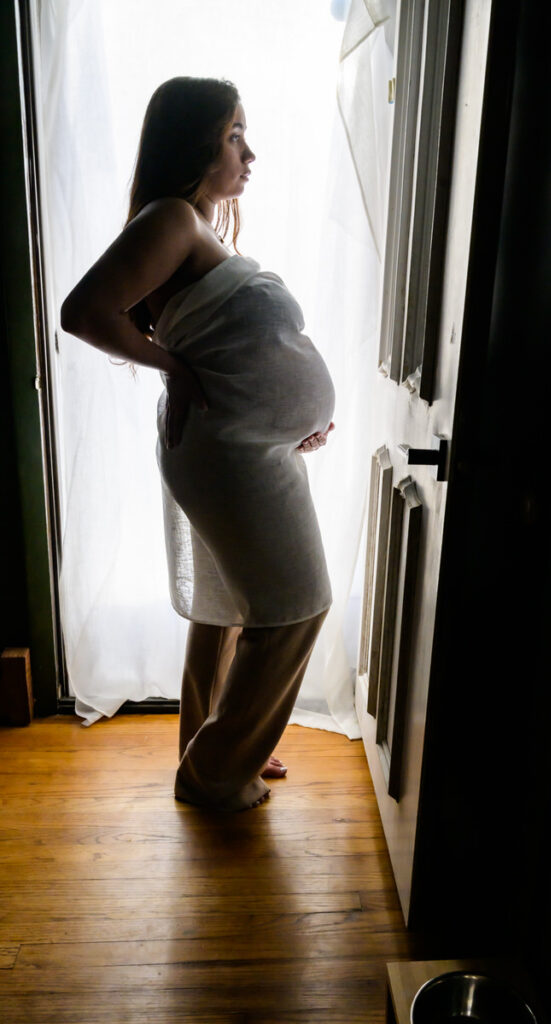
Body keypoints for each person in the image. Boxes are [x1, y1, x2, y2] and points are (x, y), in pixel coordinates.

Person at [60, 76, 335, 811]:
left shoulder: (199, 224)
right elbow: (83, 311)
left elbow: (238, 344)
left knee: (226, 607)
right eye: (233, 135)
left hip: (248, 448)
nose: (251, 153)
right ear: (195, 144)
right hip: (227, 455)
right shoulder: (173, 218)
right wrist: (170, 366)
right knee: (295, 605)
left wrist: (293, 411)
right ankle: (215, 772)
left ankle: (214, 743)